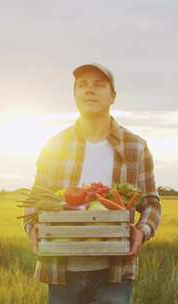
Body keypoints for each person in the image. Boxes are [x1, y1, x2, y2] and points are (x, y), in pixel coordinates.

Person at [23, 63, 161, 304]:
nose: (89, 90)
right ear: (74, 94)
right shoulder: (54, 146)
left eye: (99, 85)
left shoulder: (135, 146)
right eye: (82, 85)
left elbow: (151, 204)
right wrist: (32, 226)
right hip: (61, 271)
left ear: (113, 96)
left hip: (114, 274)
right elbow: (35, 201)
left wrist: (142, 231)